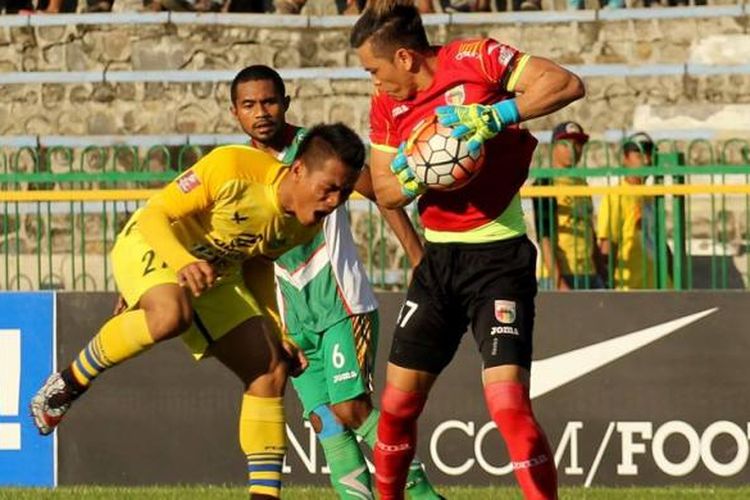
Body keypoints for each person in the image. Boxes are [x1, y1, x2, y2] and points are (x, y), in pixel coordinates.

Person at [30, 123, 365, 500]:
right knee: (171, 315)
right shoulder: (233, 167)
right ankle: (67, 383)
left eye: (346, 192)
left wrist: (276, 328)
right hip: (157, 245)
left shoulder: (306, 224)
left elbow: (257, 264)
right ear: (299, 169)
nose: (336, 201)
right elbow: (155, 214)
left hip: (215, 276)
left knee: (270, 369)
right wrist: (182, 262)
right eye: (329, 188)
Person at [350, 1, 585, 498]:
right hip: (438, 264)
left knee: (508, 409)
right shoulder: (386, 107)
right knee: (395, 410)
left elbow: (565, 84)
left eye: (375, 69)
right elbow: (387, 192)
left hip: (499, 259)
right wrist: (420, 170)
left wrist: (497, 114)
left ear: (407, 59)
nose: (374, 82)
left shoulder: (475, 59)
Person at [231, 64, 443, 499]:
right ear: (235, 112)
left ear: (285, 103)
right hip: (291, 319)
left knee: (351, 408)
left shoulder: (319, 150)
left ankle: (424, 497)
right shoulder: (240, 169)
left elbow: (381, 193)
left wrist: (417, 252)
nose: (261, 112)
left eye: (269, 101)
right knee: (325, 421)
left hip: (341, 305)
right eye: (249, 105)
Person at [532, 121, 606, 290]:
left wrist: (602, 272)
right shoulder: (545, 183)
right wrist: (559, 282)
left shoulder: (582, 183)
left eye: (579, 144)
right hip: (561, 274)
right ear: (554, 147)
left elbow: (589, 230)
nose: (574, 149)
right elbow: (544, 238)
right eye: (566, 143)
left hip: (589, 273)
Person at [597, 132, 670, 290]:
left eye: (650, 154)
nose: (647, 160)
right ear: (625, 158)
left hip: (659, 286)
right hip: (631, 287)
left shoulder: (652, 196)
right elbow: (608, 244)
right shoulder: (617, 195)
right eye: (640, 154)